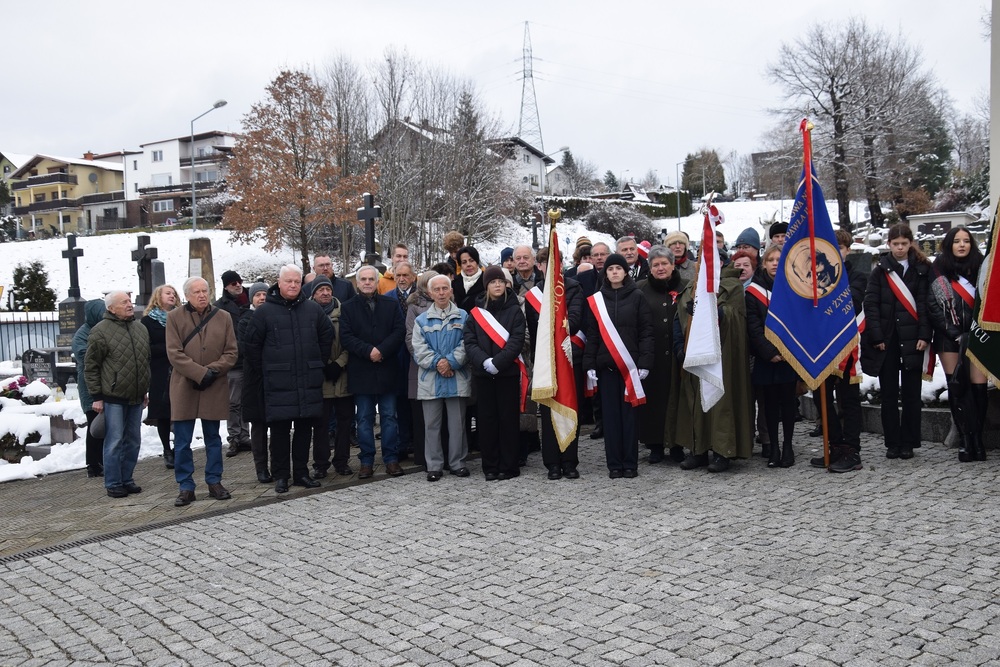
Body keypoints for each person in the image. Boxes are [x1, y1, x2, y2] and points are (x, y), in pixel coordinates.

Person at [245, 265, 335, 492]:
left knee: (304, 432)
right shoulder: (264, 312)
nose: (293, 285)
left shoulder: (312, 309)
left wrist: (317, 361)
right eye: (289, 282)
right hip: (278, 384)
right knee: (279, 433)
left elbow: (327, 335)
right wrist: (267, 369)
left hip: (307, 381)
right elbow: (252, 346)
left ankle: (301, 473)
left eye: (297, 281)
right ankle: (281, 475)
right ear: (279, 282)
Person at [670, 264, 754, 472]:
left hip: (722, 356)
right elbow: (679, 317)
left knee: (720, 403)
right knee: (694, 402)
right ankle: (697, 451)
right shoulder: (693, 285)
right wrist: (680, 346)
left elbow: (734, 317)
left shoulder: (731, 286)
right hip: (694, 355)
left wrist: (711, 312)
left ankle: (721, 451)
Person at [166, 277, 239, 507]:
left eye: (204, 290)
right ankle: (186, 486)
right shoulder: (174, 317)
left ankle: (214, 481)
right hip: (184, 385)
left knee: (214, 439)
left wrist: (211, 372)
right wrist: (199, 373)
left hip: (214, 385)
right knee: (182, 441)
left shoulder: (223, 317)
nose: (201, 295)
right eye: (196, 292)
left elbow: (231, 352)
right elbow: (174, 353)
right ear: (187, 295)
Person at [861, 223, 932, 460]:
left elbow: (925, 304)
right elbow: (870, 305)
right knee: (889, 394)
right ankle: (892, 442)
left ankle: (909, 441)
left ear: (911, 243)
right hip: (888, 340)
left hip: (913, 339)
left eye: (904, 243)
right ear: (889, 245)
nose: (900, 248)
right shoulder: (879, 271)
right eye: (895, 244)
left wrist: (924, 335)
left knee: (912, 393)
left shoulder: (922, 269)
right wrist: (877, 336)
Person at [583, 253, 654, 478]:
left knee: (630, 419)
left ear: (626, 272)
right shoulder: (597, 300)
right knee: (611, 419)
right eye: (610, 269)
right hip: (606, 370)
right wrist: (590, 364)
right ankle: (614, 464)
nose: (614, 272)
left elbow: (646, 332)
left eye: (618, 268)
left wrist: (645, 362)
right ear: (606, 273)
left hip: (631, 369)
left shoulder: (637, 297)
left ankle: (630, 463)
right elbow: (592, 335)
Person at [809, 229, 868, 473]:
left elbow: (851, 301)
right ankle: (834, 444)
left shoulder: (859, 276)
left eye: (841, 249)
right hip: (822, 345)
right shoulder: (815, 278)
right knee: (820, 397)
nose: (838, 253)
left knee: (849, 399)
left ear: (848, 250)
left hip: (847, 347)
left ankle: (851, 449)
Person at [340, 265, 407, 479]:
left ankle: (391, 458)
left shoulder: (390, 304)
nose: (368, 282)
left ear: (377, 282)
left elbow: (399, 331)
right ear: (357, 283)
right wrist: (369, 351)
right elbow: (347, 337)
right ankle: (366, 461)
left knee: (389, 417)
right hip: (362, 370)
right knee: (364, 419)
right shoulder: (348, 307)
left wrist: (382, 351)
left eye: (371, 279)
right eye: (364, 279)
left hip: (387, 369)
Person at [928, 225, 986, 462]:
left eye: (966, 241)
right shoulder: (939, 268)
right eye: (956, 241)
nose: (962, 245)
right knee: (957, 387)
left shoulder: (983, 268)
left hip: (980, 336)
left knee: (979, 388)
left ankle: (977, 439)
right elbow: (933, 304)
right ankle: (964, 439)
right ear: (949, 244)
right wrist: (954, 332)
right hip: (948, 337)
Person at [84, 291, 150, 498]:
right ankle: (113, 482)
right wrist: (97, 396)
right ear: (111, 308)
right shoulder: (100, 331)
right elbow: (91, 366)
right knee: (114, 441)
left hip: (136, 396)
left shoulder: (140, 328)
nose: (130, 305)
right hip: (113, 397)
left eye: (130, 301)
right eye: (124, 302)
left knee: (134, 440)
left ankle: (127, 479)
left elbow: (144, 362)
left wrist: (145, 391)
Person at [464, 265, 526, 480]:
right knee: (487, 421)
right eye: (493, 282)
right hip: (484, 375)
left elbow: (517, 341)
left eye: (500, 281)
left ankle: (509, 466)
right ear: (486, 286)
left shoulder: (515, 310)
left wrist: (498, 362)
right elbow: (469, 341)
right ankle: (490, 466)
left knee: (508, 420)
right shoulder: (476, 313)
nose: (497, 285)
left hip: (506, 373)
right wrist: (484, 362)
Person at [412, 274, 472, 481]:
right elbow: (418, 349)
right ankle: (434, 466)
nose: (441, 293)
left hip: (457, 377)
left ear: (451, 291)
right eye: (436, 289)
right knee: (432, 425)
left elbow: (467, 344)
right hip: (430, 380)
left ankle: (458, 463)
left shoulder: (464, 316)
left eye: (444, 288)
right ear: (430, 293)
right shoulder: (421, 320)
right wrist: (439, 363)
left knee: (457, 424)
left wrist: (451, 362)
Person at [746, 245, 800, 468]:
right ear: (764, 263)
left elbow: (799, 323)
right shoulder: (753, 292)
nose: (775, 263)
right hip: (765, 358)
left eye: (779, 259)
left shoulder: (795, 288)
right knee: (768, 406)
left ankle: (788, 446)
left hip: (789, 357)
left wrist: (786, 352)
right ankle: (774, 447)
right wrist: (769, 352)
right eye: (771, 260)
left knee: (788, 405)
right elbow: (753, 327)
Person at [637, 245, 686, 464]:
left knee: (677, 401)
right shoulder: (640, 290)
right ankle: (655, 445)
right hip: (652, 357)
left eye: (664, 263)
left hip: (678, 356)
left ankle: (677, 445)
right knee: (654, 403)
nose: (660, 268)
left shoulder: (686, 287)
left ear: (672, 265)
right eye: (655, 264)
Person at [309, 275, 355, 477]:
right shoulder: (307, 313)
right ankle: (320, 464)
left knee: (345, 423)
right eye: (321, 290)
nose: (326, 293)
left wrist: (339, 363)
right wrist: (323, 365)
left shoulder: (345, 312)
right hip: (319, 378)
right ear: (314, 293)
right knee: (320, 425)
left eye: (328, 289)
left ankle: (342, 461)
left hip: (343, 375)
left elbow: (350, 340)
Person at [141, 284, 179, 469]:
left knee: (180, 410)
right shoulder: (148, 322)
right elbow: (146, 348)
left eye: (173, 293)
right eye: (168, 293)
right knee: (163, 413)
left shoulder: (181, 318)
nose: (172, 296)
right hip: (159, 371)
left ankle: (180, 447)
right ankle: (167, 450)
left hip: (179, 370)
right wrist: (169, 349)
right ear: (158, 296)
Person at [238, 282, 272, 483]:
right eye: (258, 294)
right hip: (255, 379)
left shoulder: (274, 315)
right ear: (251, 298)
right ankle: (261, 468)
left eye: (264, 294)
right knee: (258, 427)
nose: (262, 298)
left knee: (277, 425)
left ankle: (277, 465)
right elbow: (247, 349)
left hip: (275, 379)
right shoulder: (244, 321)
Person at [72, 298, 110, 478]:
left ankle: (102, 460)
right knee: (94, 426)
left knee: (104, 426)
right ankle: (93, 464)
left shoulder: (102, 329)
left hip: (105, 383)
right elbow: (83, 355)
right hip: (89, 387)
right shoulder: (82, 333)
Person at [215, 269, 251, 458]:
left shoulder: (249, 301)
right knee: (233, 402)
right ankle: (234, 437)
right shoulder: (220, 307)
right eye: (232, 283)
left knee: (246, 401)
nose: (237, 285)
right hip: (233, 362)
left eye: (238, 282)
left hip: (249, 360)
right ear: (226, 286)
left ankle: (245, 435)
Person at [405, 271, 439, 470]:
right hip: (421, 366)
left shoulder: (450, 303)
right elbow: (411, 338)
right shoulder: (414, 307)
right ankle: (423, 457)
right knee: (421, 415)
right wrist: (429, 360)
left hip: (446, 367)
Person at [388, 261, 417, 461]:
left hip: (416, 354)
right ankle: (402, 442)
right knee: (399, 401)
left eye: (406, 275)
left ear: (413, 276)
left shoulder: (419, 297)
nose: (402, 279)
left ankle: (416, 441)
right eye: (398, 275)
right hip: (396, 355)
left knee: (415, 400)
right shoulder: (388, 298)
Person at [452, 246, 486, 313]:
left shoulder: (486, 280)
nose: (468, 265)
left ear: (477, 262)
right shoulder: (454, 283)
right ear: (460, 265)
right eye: (464, 262)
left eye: (471, 261)